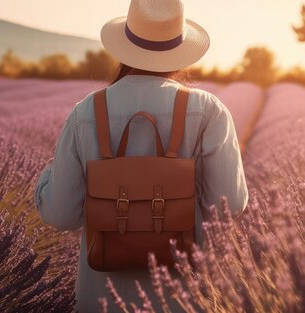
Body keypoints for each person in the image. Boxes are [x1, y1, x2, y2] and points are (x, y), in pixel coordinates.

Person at [34, 0, 249, 312]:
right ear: (180, 50)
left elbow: (61, 214)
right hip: (183, 298)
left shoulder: (86, 111)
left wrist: (44, 179)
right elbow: (229, 205)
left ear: (125, 46)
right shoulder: (209, 111)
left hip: (102, 300)